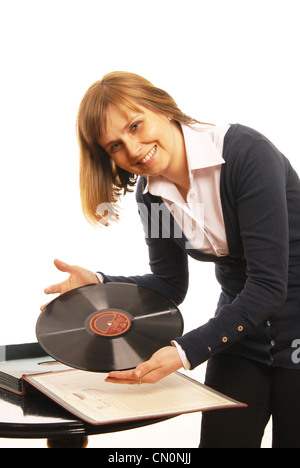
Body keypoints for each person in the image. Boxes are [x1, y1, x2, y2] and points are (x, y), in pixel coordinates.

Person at [41, 71, 300, 448]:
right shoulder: (152, 197)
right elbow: (169, 285)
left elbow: (268, 286)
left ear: (161, 105)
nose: (132, 149)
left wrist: (184, 351)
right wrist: (99, 283)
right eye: (114, 146)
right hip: (242, 333)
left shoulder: (246, 154)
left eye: (135, 125)